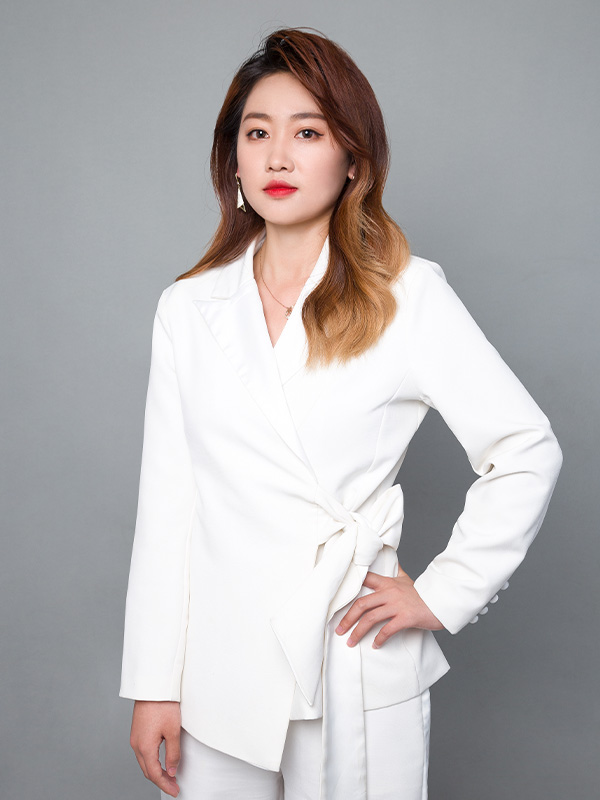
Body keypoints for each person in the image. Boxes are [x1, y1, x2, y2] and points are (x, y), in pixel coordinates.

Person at [119, 27, 563, 800]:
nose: (277, 158)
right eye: (257, 133)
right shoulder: (188, 308)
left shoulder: (407, 294)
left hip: (349, 650)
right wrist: (154, 683)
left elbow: (526, 448)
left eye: (308, 133)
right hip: (219, 665)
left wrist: (443, 591)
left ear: (352, 158)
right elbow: (169, 505)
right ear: (233, 160)